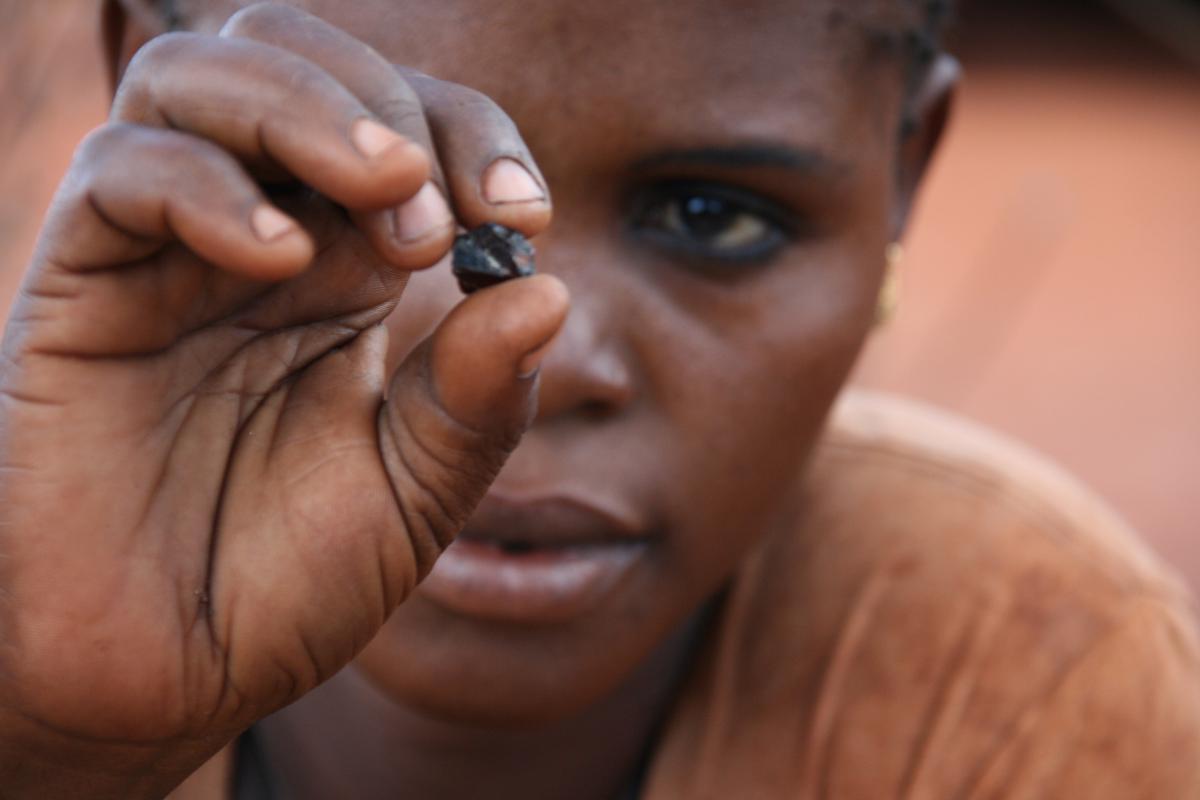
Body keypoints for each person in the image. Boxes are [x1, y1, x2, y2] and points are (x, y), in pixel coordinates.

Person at [0, 1, 1197, 797]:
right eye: (342, 194)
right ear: (142, 83)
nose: (541, 357)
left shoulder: (1033, 682)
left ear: (901, 173)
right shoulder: (30, 602)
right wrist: (52, 753)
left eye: (712, 218)